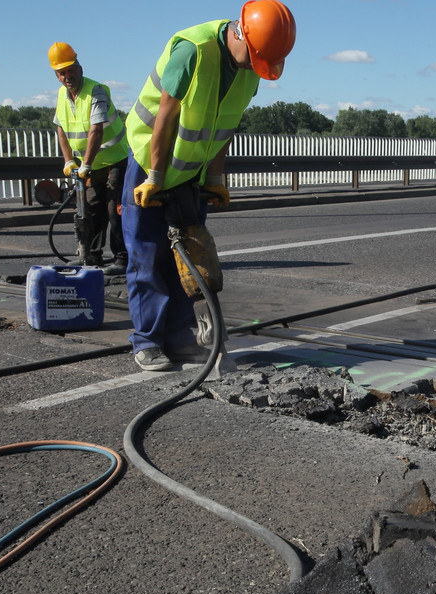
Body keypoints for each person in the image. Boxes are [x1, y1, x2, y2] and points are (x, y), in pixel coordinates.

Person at [120, 0, 296, 371]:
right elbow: (165, 117)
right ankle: (148, 341)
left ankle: (182, 339)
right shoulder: (192, 50)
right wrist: (155, 176)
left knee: (189, 258)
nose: (254, 67)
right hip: (150, 160)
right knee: (148, 255)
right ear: (240, 34)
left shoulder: (250, 67)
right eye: (254, 58)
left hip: (193, 172)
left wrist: (215, 178)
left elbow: (225, 124)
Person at [49, 42, 130, 276]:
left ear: (80, 68)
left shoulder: (97, 91)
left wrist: (85, 164)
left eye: (70, 70)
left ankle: (122, 259)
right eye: (61, 72)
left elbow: (97, 129)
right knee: (92, 210)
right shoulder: (62, 96)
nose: (67, 76)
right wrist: (68, 160)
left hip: (115, 160)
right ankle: (92, 258)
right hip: (90, 164)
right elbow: (61, 129)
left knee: (115, 210)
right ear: (56, 75)